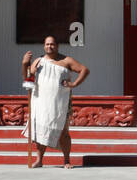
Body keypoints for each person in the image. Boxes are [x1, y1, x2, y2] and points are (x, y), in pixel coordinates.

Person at [21, 36, 89, 168]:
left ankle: (67, 160)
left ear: (57, 45)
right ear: (44, 46)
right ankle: (39, 160)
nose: (49, 47)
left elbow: (84, 70)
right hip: (41, 101)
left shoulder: (66, 60)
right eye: (47, 44)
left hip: (60, 102)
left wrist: (74, 84)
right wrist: (24, 64)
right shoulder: (38, 61)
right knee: (42, 129)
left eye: (52, 44)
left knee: (63, 132)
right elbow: (28, 77)